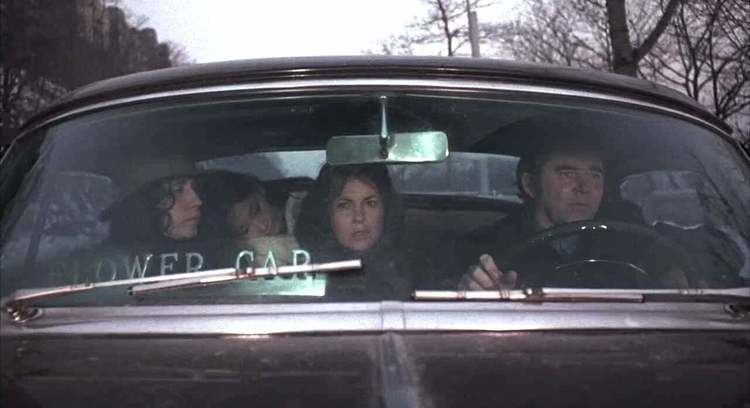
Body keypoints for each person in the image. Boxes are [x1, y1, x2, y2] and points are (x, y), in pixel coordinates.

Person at [458, 138, 688, 290]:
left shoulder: (627, 238)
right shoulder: (489, 247)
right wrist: (477, 290)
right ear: (530, 185)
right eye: (567, 173)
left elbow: (687, 251)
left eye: (595, 175)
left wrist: (672, 268)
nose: (584, 187)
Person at [90, 156, 217, 279]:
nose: (197, 201)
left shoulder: (217, 257)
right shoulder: (95, 267)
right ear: (143, 204)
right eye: (178, 189)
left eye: (196, 188)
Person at [295, 163, 409, 299]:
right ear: (327, 214)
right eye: (344, 205)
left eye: (370, 203)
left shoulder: (416, 272)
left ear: (386, 210)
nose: (359, 217)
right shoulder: (302, 275)